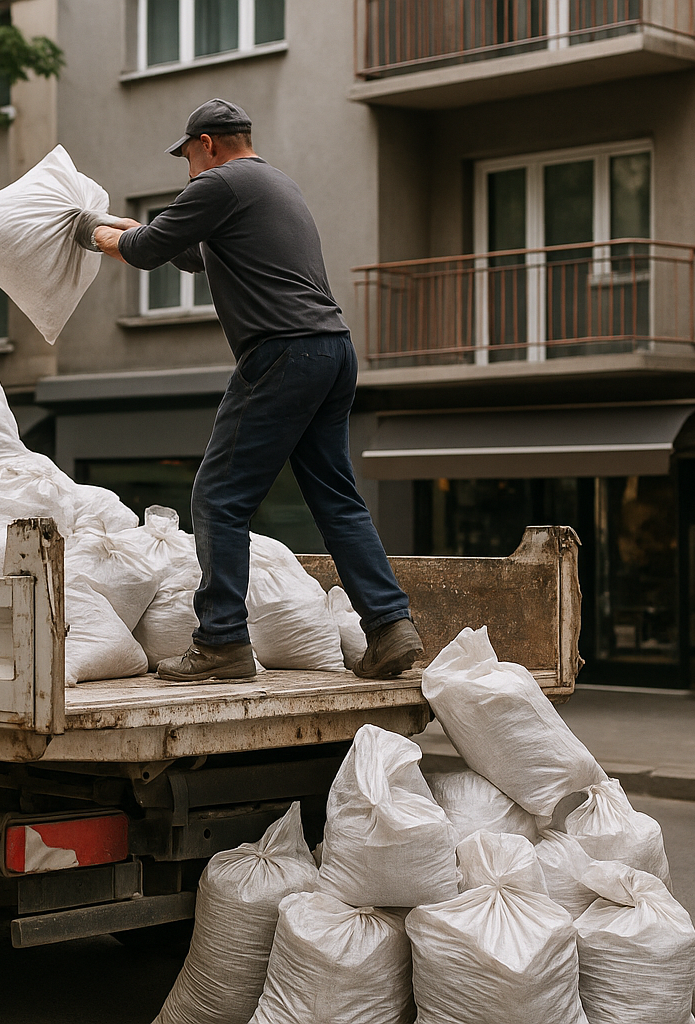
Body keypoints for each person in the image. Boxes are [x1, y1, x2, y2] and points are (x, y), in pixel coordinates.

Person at [83, 98, 422, 683]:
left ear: (208, 144)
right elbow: (185, 251)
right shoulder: (272, 183)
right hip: (332, 350)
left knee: (219, 496)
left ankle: (221, 641)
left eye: (187, 156)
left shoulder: (219, 182)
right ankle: (390, 627)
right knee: (337, 498)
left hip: (283, 351)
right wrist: (123, 223)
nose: (187, 169)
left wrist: (85, 230)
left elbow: (144, 252)